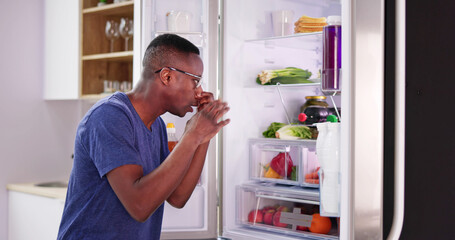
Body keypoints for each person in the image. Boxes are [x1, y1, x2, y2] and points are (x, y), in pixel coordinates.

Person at [57, 34, 230, 239]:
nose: (199, 91)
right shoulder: (109, 116)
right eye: (195, 81)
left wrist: (203, 135)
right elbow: (139, 205)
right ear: (166, 76)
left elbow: (178, 197)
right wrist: (192, 135)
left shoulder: (156, 126)